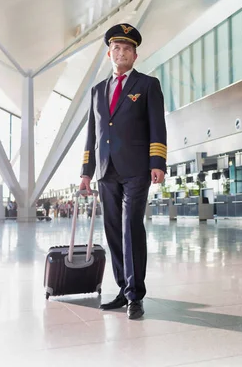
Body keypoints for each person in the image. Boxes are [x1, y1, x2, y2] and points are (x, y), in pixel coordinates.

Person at [79, 23, 167, 320]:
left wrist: (157, 163)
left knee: (131, 227)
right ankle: (121, 289)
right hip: (106, 170)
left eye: (127, 48)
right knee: (114, 230)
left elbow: (158, 125)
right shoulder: (97, 91)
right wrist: (85, 171)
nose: (122, 52)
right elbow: (92, 133)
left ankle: (135, 295)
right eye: (117, 48)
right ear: (109, 54)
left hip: (136, 169)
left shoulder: (147, 85)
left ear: (135, 54)